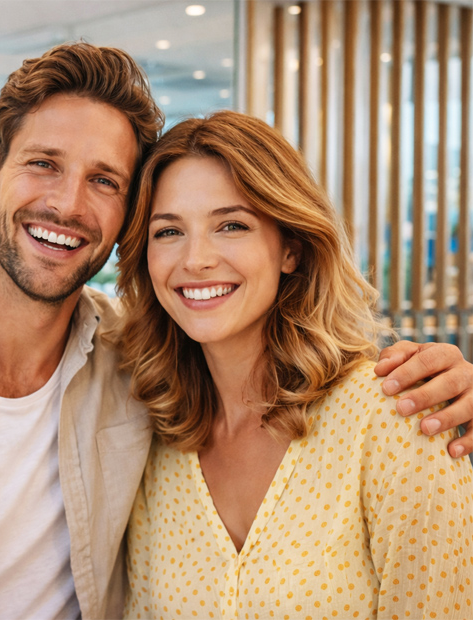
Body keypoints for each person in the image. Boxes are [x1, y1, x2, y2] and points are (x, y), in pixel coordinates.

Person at [0, 45, 473, 620]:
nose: (68, 205)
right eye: (43, 166)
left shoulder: (142, 362)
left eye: (104, 181)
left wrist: (448, 374)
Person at [118, 111, 473, 618]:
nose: (195, 259)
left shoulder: (397, 417)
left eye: (231, 225)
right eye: (168, 231)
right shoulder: (156, 440)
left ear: (291, 248)